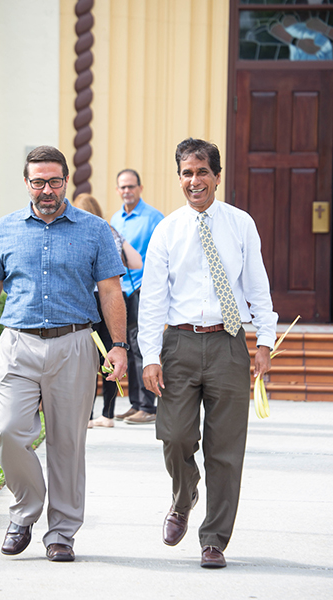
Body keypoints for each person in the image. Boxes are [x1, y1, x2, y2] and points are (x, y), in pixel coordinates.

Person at [0, 146, 128, 562]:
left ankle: (61, 533)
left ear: (67, 181)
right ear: (26, 183)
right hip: (17, 344)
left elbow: (111, 291)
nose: (47, 190)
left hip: (75, 343)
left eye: (55, 181)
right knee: (8, 431)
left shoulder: (95, 230)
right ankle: (26, 510)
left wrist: (118, 345)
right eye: (38, 182)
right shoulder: (3, 229)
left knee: (67, 444)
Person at [138, 138, 278, 568]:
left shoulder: (241, 224)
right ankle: (184, 498)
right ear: (179, 177)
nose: (194, 181)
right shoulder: (167, 229)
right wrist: (150, 355)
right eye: (186, 173)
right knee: (175, 435)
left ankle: (214, 538)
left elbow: (256, 286)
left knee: (226, 448)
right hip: (178, 343)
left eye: (201, 172)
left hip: (229, 343)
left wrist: (265, 342)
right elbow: (152, 298)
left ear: (217, 176)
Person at [73, 193, 142, 428]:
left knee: (88, 360)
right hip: (115, 298)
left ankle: (88, 415)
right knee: (110, 358)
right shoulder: (111, 231)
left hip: (91, 298)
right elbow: (136, 262)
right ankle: (108, 415)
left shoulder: (79, 231)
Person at [111, 169, 164, 424]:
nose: (127, 191)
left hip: (144, 288)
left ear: (140, 188)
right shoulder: (115, 219)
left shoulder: (154, 218)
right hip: (123, 291)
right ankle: (135, 404)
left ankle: (148, 406)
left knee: (143, 345)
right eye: (122, 187)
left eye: (131, 187)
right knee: (128, 347)